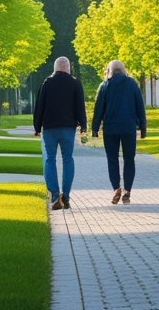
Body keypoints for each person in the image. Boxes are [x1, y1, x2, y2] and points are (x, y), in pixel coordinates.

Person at [33, 56, 87, 210]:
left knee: (50, 159)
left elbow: (39, 107)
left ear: (55, 69)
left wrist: (37, 127)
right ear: (68, 68)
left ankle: (55, 196)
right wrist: (83, 125)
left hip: (49, 128)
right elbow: (79, 106)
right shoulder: (75, 83)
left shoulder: (47, 83)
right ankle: (67, 196)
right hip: (68, 128)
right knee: (68, 159)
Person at [91, 59, 146, 205]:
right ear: (123, 70)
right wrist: (143, 128)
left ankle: (116, 188)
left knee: (112, 159)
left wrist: (95, 128)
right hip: (128, 128)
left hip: (110, 129)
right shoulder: (133, 84)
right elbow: (140, 107)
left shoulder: (105, 86)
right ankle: (127, 191)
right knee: (129, 159)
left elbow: (98, 109)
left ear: (109, 71)